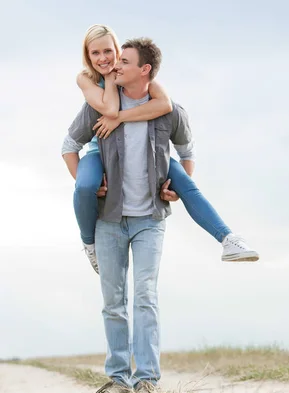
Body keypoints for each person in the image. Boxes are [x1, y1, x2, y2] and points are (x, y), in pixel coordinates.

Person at [64, 25, 259, 275]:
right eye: (95, 53)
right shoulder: (87, 78)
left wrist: (120, 117)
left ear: (116, 49)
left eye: (108, 51)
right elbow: (108, 110)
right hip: (100, 151)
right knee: (84, 186)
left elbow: (164, 104)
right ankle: (89, 243)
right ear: (87, 56)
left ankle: (228, 239)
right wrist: (112, 87)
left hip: (145, 152)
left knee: (187, 185)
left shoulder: (129, 73)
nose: (103, 59)